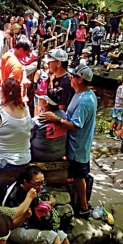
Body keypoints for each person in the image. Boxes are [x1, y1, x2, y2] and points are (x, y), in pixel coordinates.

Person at [41, 65, 96, 218]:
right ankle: (77, 202)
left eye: (73, 76)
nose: (70, 78)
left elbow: (76, 126)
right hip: (77, 145)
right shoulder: (84, 94)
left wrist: (56, 119)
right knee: (77, 176)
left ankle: (84, 207)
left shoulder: (85, 101)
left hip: (78, 147)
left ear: (80, 80)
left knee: (79, 177)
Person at [30, 87, 67, 162]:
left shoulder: (38, 120)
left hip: (40, 155)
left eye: (39, 98)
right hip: (59, 153)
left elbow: (27, 138)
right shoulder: (64, 115)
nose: (37, 100)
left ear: (46, 103)